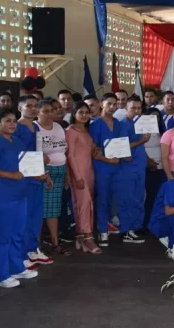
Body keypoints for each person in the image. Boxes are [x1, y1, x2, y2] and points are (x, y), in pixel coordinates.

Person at [0, 108, 45, 287]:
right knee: (2, 236)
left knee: (18, 232)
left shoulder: (17, 141)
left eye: (14, 121)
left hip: (20, 194)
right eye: (7, 121)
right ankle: (1, 275)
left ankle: (16, 267)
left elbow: (25, 165)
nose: (12, 124)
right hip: (1, 195)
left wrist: (36, 174)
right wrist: (9, 175)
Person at [14, 95, 53, 266]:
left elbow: (36, 153)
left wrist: (45, 173)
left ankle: (32, 249)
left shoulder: (35, 128)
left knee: (36, 217)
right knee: (24, 216)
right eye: (28, 106)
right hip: (24, 178)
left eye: (35, 105)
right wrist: (32, 174)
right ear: (20, 108)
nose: (32, 108)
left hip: (38, 178)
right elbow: (17, 156)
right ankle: (22, 254)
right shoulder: (17, 128)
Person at [35, 99, 70, 255]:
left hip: (60, 171)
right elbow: (29, 151)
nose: (50, 114)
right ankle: (36, 244)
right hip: (42, 173)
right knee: (39, 210)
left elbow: (64, 151)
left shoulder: (58, 127)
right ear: (38, 112)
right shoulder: (34, 128)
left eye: (52, 110)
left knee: (54, 210)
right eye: (46, 111)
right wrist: (41, 158)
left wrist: (67, 172)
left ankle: (55, 242)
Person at [89, 93, 124, 247]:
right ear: (101, 105)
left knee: (112, 196)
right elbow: (94, 151)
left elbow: (121, 144)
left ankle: (108, 223)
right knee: (102, 198)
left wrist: (120, 157)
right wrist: (108, 159)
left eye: (114, 104)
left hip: (116, 165)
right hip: (102, 166)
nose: (112, 107)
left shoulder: (117, 123)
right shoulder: (95, 124)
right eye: (109, 103)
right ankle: (102, 230)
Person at [65, 102, 101, 254]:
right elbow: (70, 155)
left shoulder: (87, 131)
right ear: (74, 114)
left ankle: (80, 236)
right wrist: (77, 176)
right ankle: (88, 236)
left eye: (87, 112)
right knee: (84, 203)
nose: (84, 115)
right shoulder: (70, 131)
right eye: (81, 112)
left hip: (89, 171)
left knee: (84, 204)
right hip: (78, 173)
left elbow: (89, 152)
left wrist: (96, 149)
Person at [116, 96, 150, 244]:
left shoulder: (141, 124)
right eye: (133, 108)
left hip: (140, 166)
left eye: (139, 108)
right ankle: (125, 230)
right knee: (127, 199)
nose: (136, 111)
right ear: (126, 108)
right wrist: (141, 141)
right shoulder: (123, 124)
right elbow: (119, 146)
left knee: (138, 198)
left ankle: (135, 227)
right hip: (127, 168)